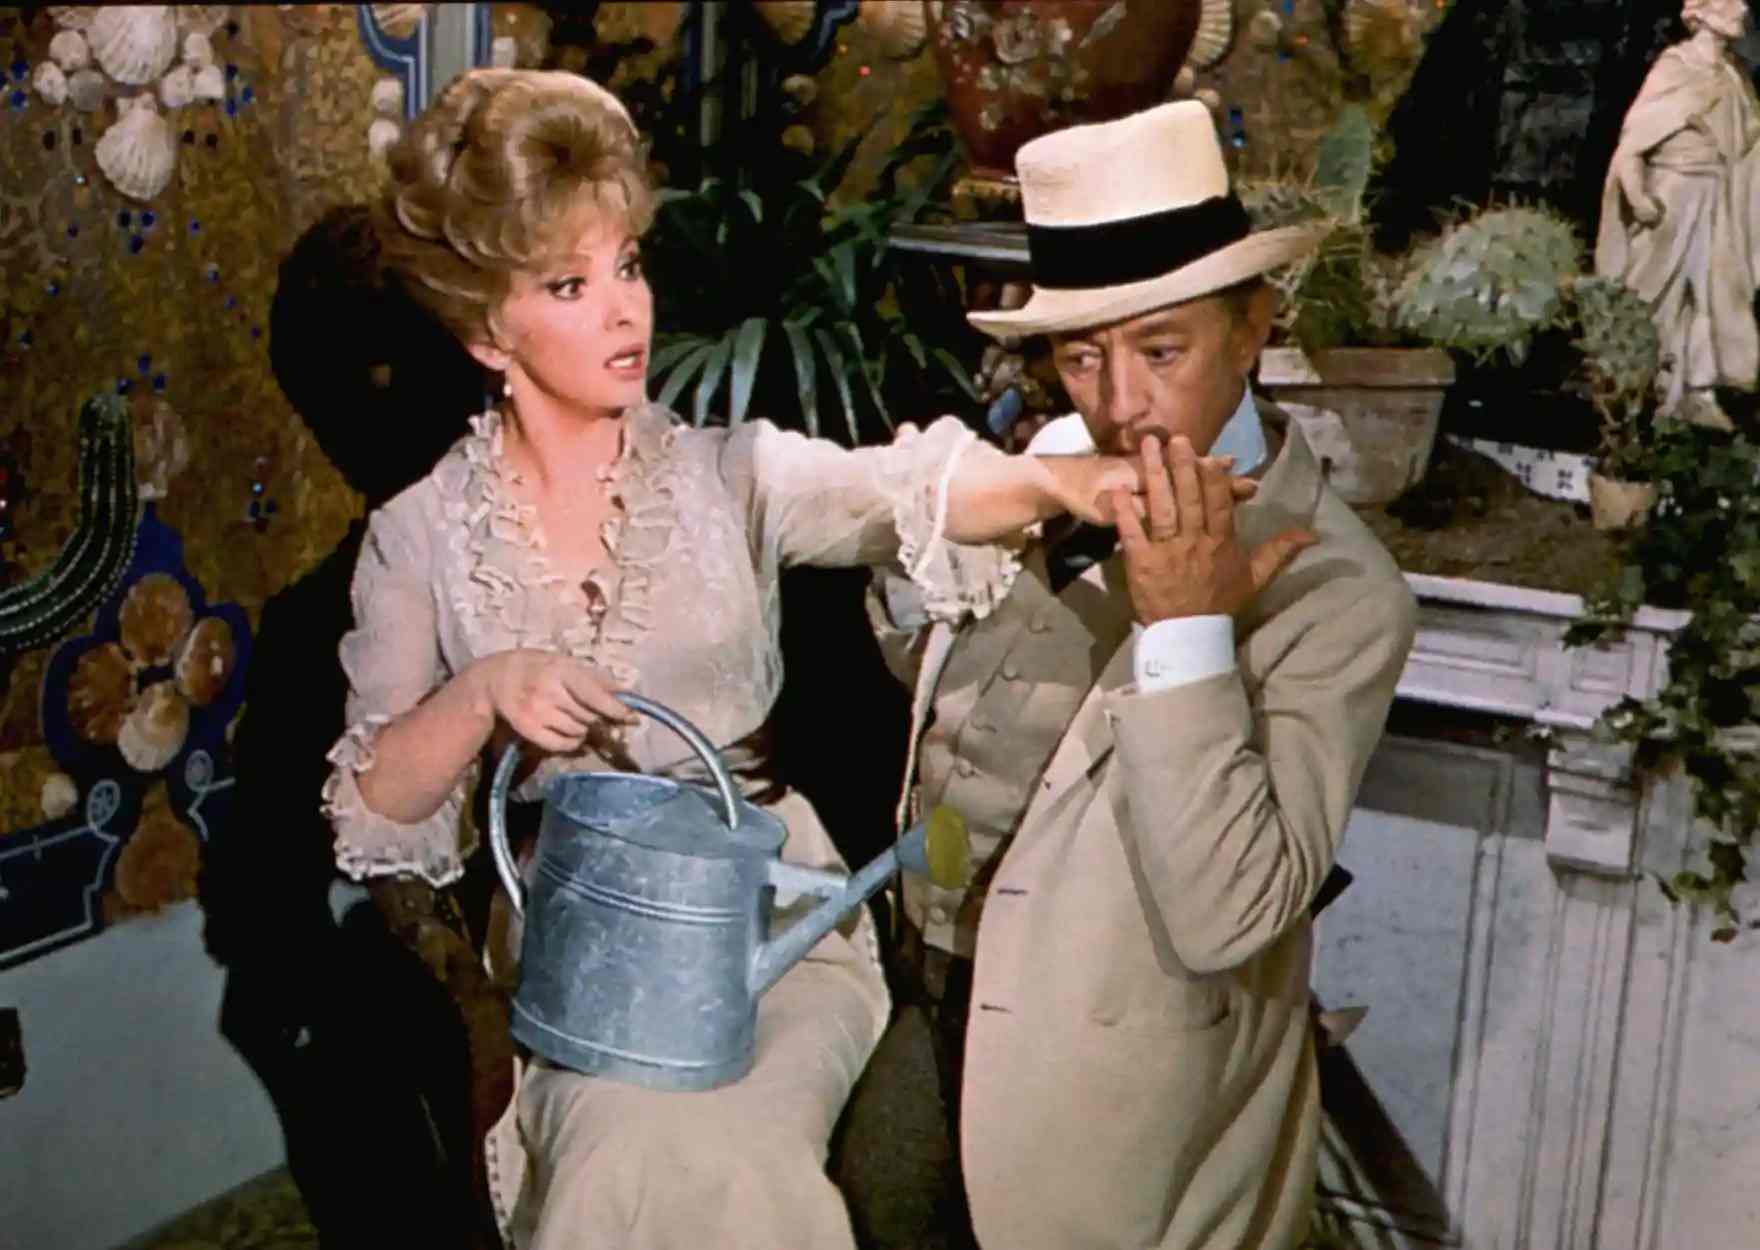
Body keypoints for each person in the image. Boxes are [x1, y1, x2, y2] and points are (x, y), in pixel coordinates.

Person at [321, 67, 1156, 1250]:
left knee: (729, 1146)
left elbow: (903, 489)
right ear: (483, 329)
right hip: (583, 950)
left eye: (627, 265)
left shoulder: (731, 473)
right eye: (569, 284)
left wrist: (1061, 480)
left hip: (778, 925)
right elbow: (371, 812)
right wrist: (484, 689)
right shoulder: (417, 535)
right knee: (624, 1148)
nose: (626, 311)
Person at [859, 99, 1418, 1249]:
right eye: (1080, 356)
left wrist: (1185, 633)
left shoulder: (1340, 594)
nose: (1116, 403)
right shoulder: (1048, 468)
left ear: (1252, 326)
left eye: (1160, 350)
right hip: (921, 1008)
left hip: (1111, 1106)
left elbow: (1229, 915)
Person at [1596, 0, 1760, 427]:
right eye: (1728, 2)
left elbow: (1748, 141)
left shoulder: (1734, 76)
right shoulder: (1674, 67)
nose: (1741, 9)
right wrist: (1639, 197)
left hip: (1719, 194)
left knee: (1711, 291)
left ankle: (1697, 389)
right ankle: (1634, 384)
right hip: (1671, 193)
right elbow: (1634, 142)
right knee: (1653, 287)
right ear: (1701, 14)